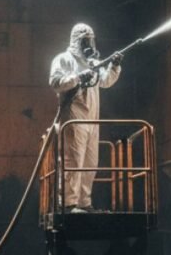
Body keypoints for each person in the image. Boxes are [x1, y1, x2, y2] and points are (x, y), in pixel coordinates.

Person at [48, 23, 122, 213]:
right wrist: (78, 78)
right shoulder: (63, 59)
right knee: (73, 161)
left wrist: (114, 65)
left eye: (91, 39)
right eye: (85, 40)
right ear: (76, 40)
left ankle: (84, 203)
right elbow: (55, 82)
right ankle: (68, 204)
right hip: (73, 117)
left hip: (92, 120)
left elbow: (105, 81)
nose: (89, 44)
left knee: (90, 163)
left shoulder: (93, 63)